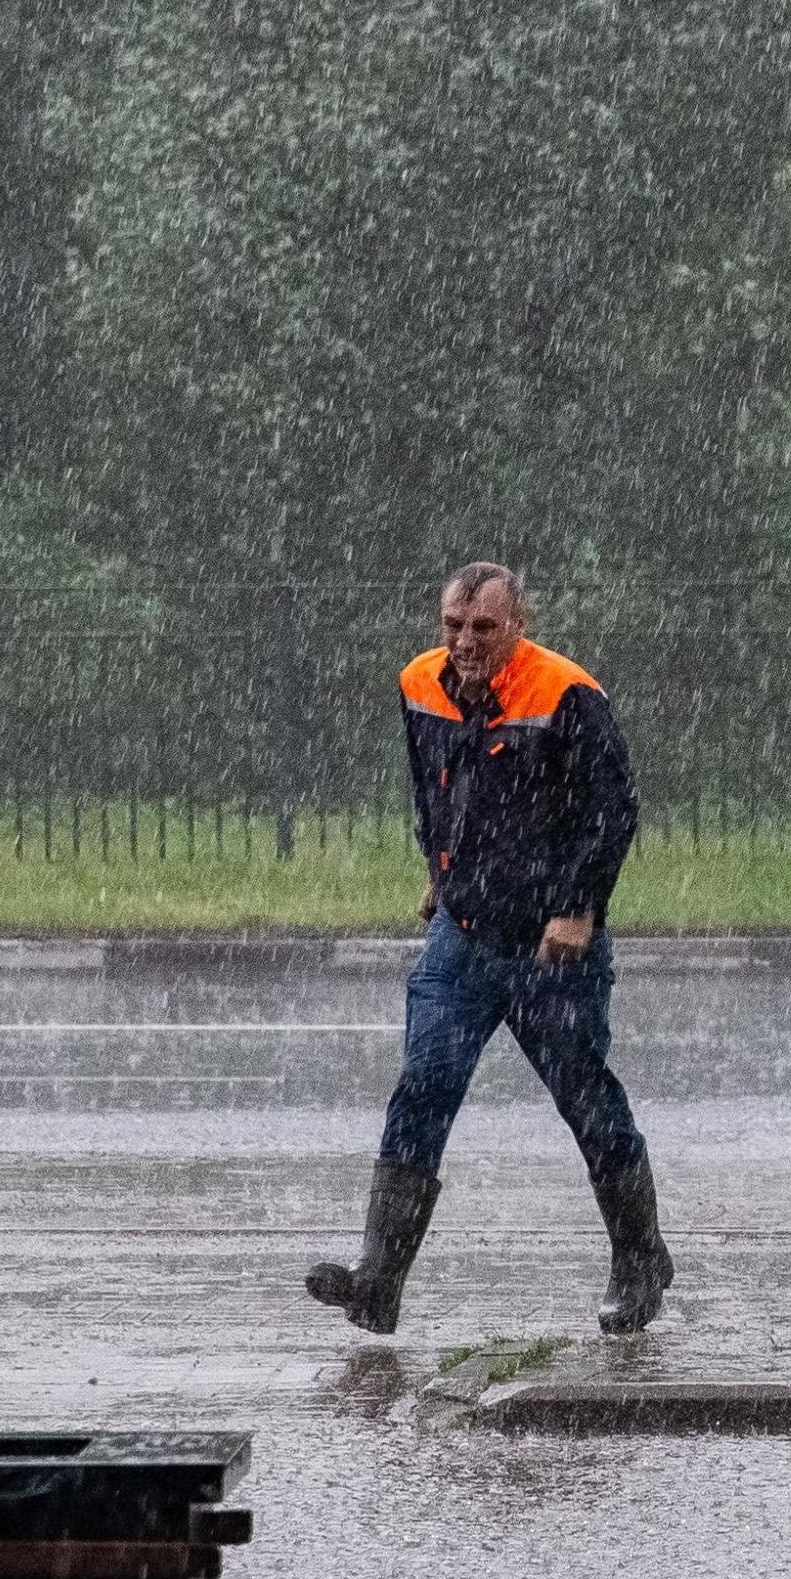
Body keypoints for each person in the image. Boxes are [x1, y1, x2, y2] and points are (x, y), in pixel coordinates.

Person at [306, 562, 673, 1336]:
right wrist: (439, 870)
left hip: (550, 946)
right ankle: (379, 1280)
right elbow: (431, 785)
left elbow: (615, 812)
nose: (465, 642)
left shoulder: (566, 694)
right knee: (423, 1085)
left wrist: (576, 910)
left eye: (483, 628)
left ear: (518, 624)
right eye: (453, 625)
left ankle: (641, 1261)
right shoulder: (418, 684)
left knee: (585, 1098)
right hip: (463, 937)